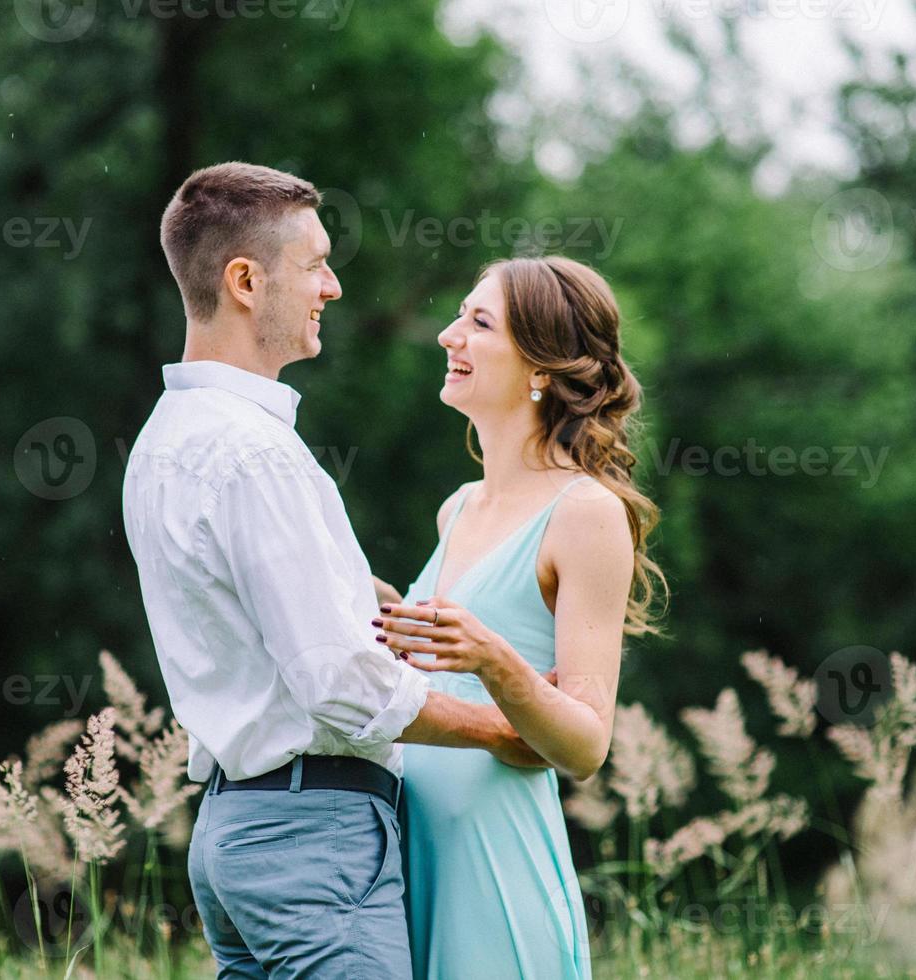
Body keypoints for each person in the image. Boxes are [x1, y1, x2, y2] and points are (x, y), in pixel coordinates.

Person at [121, 162, 541, 979]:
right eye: (315, 264)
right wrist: (504, 729)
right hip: (311, 840)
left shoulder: (164, 438)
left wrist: (353, 594)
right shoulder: (252, 452)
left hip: (234, 837)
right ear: (245, 281)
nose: (334, 286)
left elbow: (243, 619)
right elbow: (338, 684)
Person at [374, 255, 665, 980]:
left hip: (493, 862)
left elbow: (587, 746)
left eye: (478, 323)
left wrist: (496, 661)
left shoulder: (587, 514)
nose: (449, 336)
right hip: (406, 852)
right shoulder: (458, 507)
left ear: (541, 368)